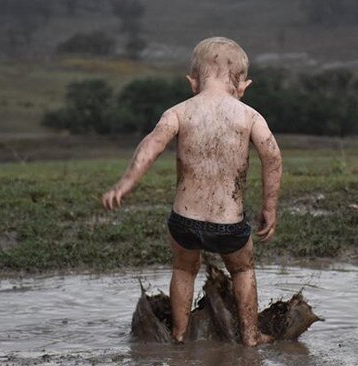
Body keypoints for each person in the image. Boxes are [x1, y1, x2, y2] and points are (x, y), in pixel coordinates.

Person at [102, 37, 282, 347]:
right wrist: (270, 207)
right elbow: (272, 156)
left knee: (184, 269)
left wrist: (126, 182)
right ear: (243, 85)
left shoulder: (179, 112)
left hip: (184, 221)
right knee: (243, 268)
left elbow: (151, 145)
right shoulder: (250, 116)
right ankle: (251, 335)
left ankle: (180, 334)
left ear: (192, 81)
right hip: (230, 224)